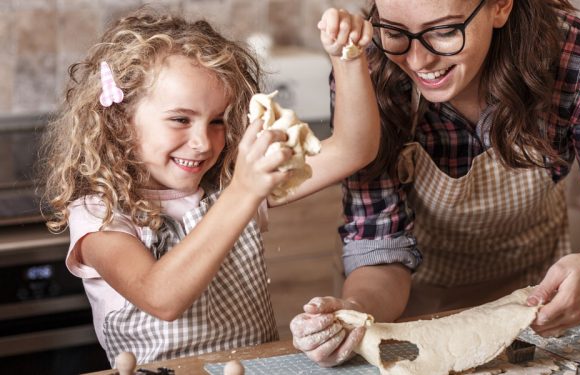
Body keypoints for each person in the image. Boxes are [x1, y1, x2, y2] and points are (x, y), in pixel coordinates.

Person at [290, 0, 580, 367]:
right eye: (395, 31)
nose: (418, 59)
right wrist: (352, 311)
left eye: (443, 31)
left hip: (537, 311)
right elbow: (378, 249)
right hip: (409, 316)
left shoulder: (572, 56)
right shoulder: (369, 68)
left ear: (500, 6)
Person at [39, 7, 378, 366]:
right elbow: (161, 297)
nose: (203, 141)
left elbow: (352, 149)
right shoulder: (100, 213)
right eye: (181, 119)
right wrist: (245, 192)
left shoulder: (229, 182)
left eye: (217, 120)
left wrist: (348, 58)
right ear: (121, 121)